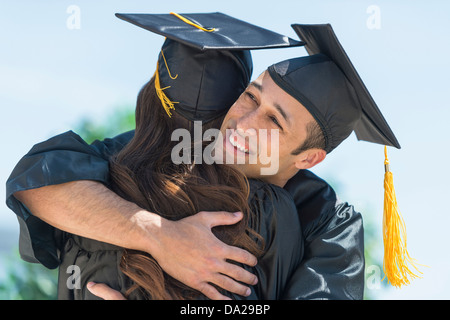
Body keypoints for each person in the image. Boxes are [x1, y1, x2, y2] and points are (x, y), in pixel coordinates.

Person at [7, 17, 395, 300]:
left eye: (274, 120)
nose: (244, 122)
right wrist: (158, 235)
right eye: (251, 96)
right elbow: (37, 184)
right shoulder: (137, 158)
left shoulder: (324, 219)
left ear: (309, 158)